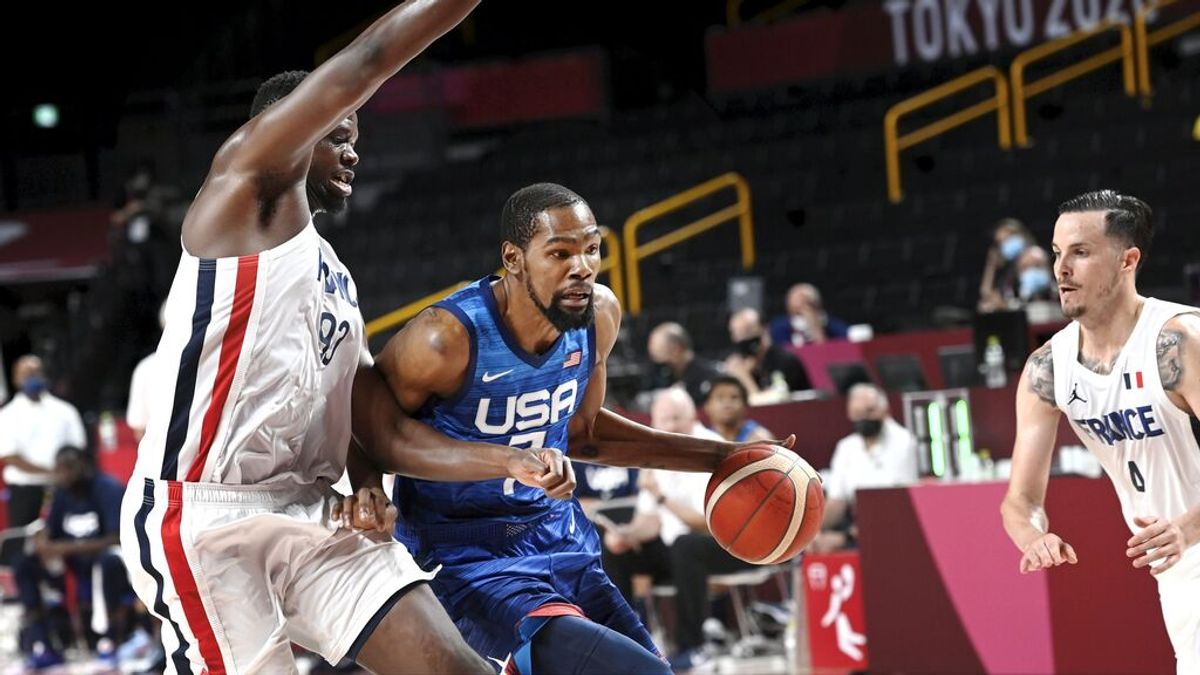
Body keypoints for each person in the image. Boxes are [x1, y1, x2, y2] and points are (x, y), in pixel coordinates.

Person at [115, 3, 560, 673]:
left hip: (313, 511)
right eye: (338, 133)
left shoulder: (338, 285)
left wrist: (407, 478)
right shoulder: (241, 190)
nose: (353, 150)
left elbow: (374, 429)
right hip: (203, 519)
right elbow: (367, 60)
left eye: (356, 137)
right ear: (290, 132)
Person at [367, 183, 795, 674]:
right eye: (560, 253)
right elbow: (375, 430)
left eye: (592, 249)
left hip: (559, 539)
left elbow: (585, 433)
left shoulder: (598, 317)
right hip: (465, 555)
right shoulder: (446, 337)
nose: (583, 267)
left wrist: (722, 458)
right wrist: (370, 486)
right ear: (513, 258)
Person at [1000, 190, 1200, 672]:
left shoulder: (1179, 343)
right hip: (1176, 563)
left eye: (1081, 252)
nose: (1061, 269)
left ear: (1128, 260)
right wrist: (1033, 538)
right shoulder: (1048, 368)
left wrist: (1186, 527)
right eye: (1056, 253)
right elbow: (1019, 501)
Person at [14, 446, 132, 669]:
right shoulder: (62, 492)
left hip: (107, 561)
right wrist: (43, 539)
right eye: (60, 469)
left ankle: (109, 640)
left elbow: (116, 538)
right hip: (72, 563)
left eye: (69, 468)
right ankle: (43, 644)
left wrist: (66, 548)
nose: (64, 474)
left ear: (84, 465)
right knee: (25, 564)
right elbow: (51, 531)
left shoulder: (107, 487)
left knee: (107, 562)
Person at [0, 355, 87, 565]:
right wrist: (49, 471)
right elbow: (9, 456)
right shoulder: (7, 414)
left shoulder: (64, 410)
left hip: (62, 487)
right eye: (26, 374)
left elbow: (78, 447)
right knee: (24, 548)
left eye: (35, 372)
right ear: (16, 379)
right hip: (25, 490)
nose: (32, 377)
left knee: (64, 539)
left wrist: (61, 473)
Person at [811, 383, 918, 553]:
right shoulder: (846, 447)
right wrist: (812, 532)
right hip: (856, 529)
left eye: (870, 411)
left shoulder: (903, 442)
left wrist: (845, 538)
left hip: (892, 531)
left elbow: (894, 507)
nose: (864, 418)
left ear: (884, 410)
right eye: (858, 413)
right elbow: (837, 502)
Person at [724, 308, 811, 404]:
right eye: (736, 334)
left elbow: (769, 404)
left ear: (764, 330)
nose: (742, 339)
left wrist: (745, 378)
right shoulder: (741, 366)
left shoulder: (785, 361)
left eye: (747, 331)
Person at [645, 322, 722, 406]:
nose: (656, 359)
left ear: (676, 349)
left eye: (660, 351)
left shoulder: (710, 375)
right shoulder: (662, 373)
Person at [978, 218, 1036, 313]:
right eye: (1000, 242)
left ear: (1020, 236)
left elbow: (1031, 303)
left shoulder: (1035, 257)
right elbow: (986, 293)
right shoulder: (1010, 270)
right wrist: (991, 265)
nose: (1004, 245)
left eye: (1007, 239)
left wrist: (1003, 305)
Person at [768, 283, 849, 348]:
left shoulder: (829, 322)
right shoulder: (780, 325)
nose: (802, 304)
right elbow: (781, 347)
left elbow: (844, 340)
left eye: (805, 300)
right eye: (797, 299)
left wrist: (814, 324)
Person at [703, 375, 775, 444]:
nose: (727, 403)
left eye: (734, 397)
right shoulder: (703, 439)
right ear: (707, 406)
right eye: (720, 397)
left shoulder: (760, 439)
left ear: (745, 406)